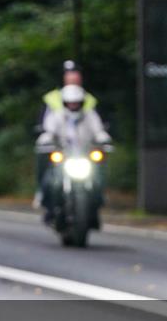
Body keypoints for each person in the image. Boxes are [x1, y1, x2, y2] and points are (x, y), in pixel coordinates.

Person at [35, 83, 111, 227]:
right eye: (70, 103)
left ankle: (95, 210)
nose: (73, 106)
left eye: (76, 103)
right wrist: (46, 139)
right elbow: (49, 132)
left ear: (82, 103)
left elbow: (98, 130)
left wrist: (103, 138)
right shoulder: (57, 116)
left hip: (85, 157)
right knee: (50, 182)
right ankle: (50, 210)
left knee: (98, 181)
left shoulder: (90, 116)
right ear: (64, 103)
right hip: (64, 158)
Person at [33, 60, 100, 208]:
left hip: (83, 149)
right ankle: (40, 191)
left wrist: (102, 136)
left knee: (99, 166)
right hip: (60, 147)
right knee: (43, 160)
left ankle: (99, 196)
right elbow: (44, 121)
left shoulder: (88, 98)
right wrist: (46, 135)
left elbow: (96, 122)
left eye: (75, 74)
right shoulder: (52, 98)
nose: (73, 78)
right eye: (69, 75)